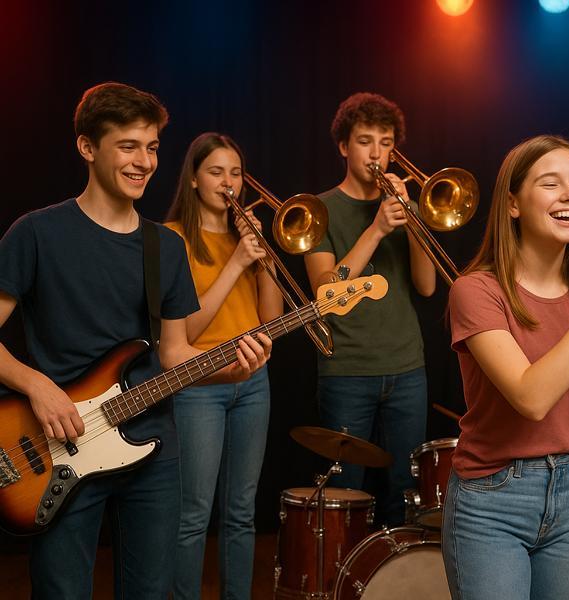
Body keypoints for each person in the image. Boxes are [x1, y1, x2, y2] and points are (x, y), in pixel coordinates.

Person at [0, 83, 271, 600]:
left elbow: (173, 354)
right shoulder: (36, 234)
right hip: (60, 444)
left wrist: (231, 367)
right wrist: (37, 385)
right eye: (128, 146)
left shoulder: (164, 246)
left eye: (151, 148)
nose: (144, 161)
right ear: (87, 147)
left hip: (153, 446)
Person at [443, 134, 569, 600]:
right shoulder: (476, 292)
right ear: (513, 203)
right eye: (551, 184)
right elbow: (531, 398)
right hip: (493, 498)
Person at [304, 92, 436, 526]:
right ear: (344, 146)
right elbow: (325, 297)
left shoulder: (403, 208)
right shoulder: (317, 210)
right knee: (345, 495)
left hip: (406, 368)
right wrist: (377, 229)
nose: (377, 152)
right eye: (365, 141)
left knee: (407, 490)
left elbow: (427, 285)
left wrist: (411, 220)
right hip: (347, 371)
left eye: (386, 142)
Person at [164, 133, 283, 599]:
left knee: (241, 512)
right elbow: (187, 332)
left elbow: (270, 321)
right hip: (198, 383)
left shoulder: (245, 240)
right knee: (193, 514)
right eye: (216, 172)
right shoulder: (172, 239)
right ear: (194, 179)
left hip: (253, 382)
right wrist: (236, 262)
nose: (228, 182)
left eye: (236, 173)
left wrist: (265, 258)